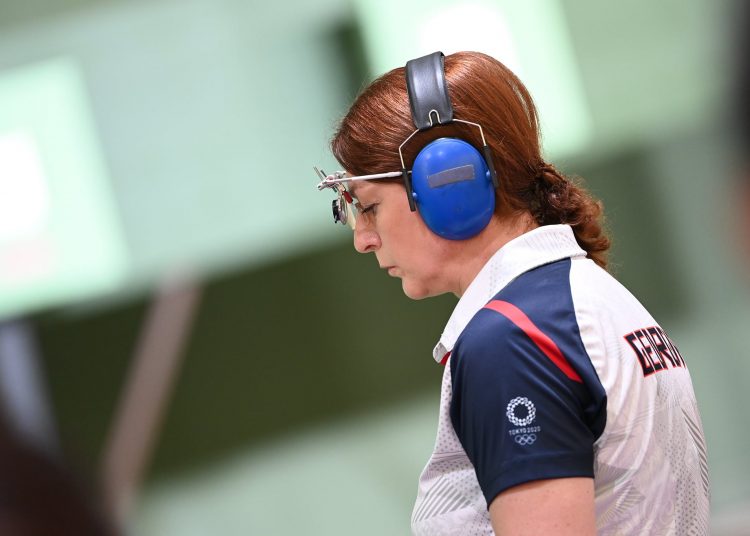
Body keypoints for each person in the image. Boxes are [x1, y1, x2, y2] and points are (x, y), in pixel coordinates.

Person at [315, 51, 709, 535]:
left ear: (447, 184)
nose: (363, 239)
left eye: (369, 206)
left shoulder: (511, 342)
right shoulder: (591, 298)